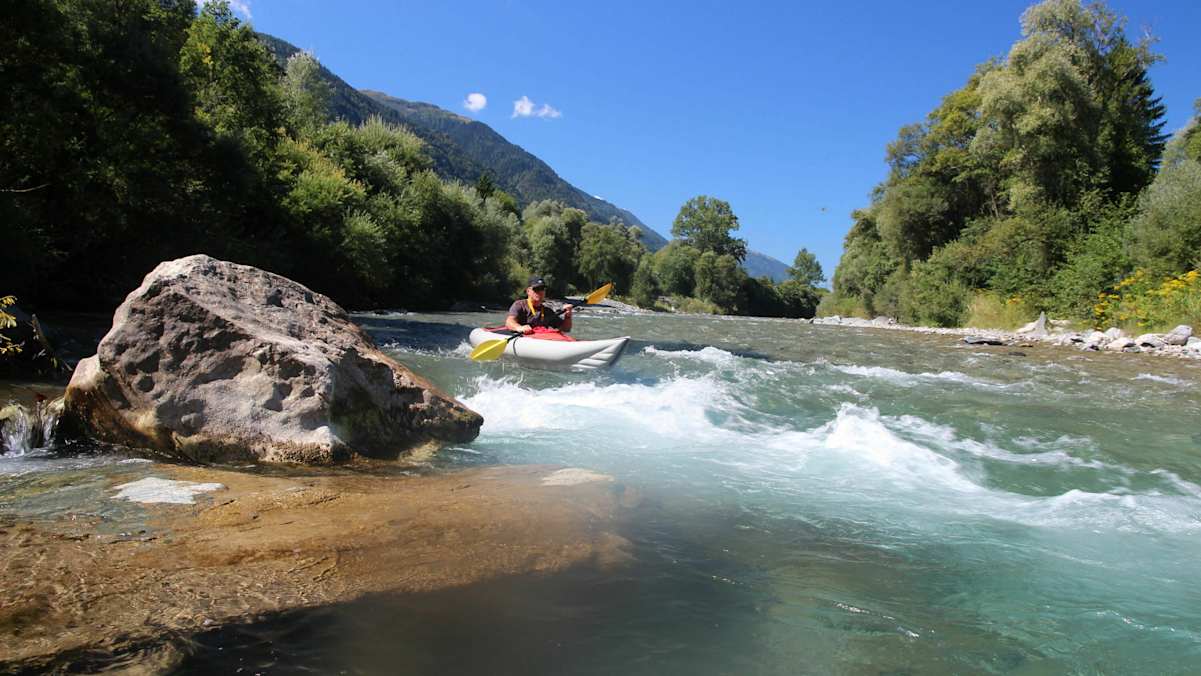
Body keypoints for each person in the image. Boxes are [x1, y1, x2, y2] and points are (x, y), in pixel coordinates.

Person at [506, 275, 572, 335]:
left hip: (539, 340)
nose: (540, 292)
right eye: (536, 289)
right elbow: (509, 322)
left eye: (542, 289)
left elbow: (566, 329)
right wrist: (519, 328)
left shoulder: (547, 311)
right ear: (528, 291)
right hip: (522, 339)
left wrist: (568, 316)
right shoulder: (519, 305)